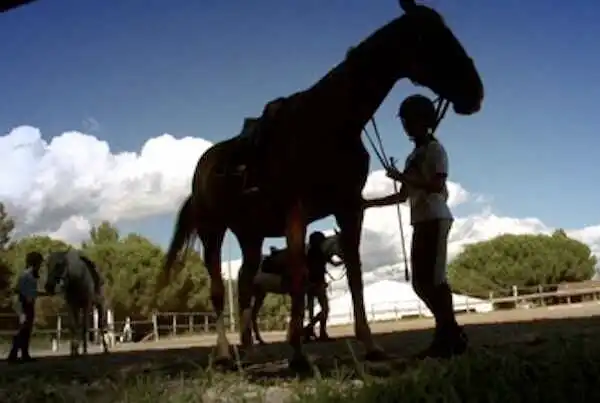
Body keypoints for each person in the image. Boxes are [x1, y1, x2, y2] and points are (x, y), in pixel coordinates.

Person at [362, 94, 467, 359]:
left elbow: (436, 185)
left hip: (435, 217)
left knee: (433, 281)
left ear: (423, 121)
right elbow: (402, 196)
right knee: (421, 283)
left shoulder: (434, 150)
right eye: (405, 121)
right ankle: (450, 333)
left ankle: (448, 336)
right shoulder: (415, 155)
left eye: (409, 120)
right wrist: (366, 204)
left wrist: (401, 176)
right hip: (421, 220)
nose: (406, 126)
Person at [303, 231, 343, 342]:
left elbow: (333, 263)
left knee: (312, 310)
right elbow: (334, 263)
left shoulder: (311, 253)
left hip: (310, 284)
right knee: (325, 308)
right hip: (318, 283)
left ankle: (310, 331)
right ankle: (317, 331)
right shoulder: (320, 253)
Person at [8, 251, 46, 363]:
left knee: (25, 330)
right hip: (25, 305)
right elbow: (27, 294)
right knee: (24, 330)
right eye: (39, 263)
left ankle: (23, 354)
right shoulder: (28, 276)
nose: (40, 266)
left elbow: (27, 291)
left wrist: (43, 293)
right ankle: (14, 355)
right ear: (35, 263)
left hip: (25, 304)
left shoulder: (26, 275)